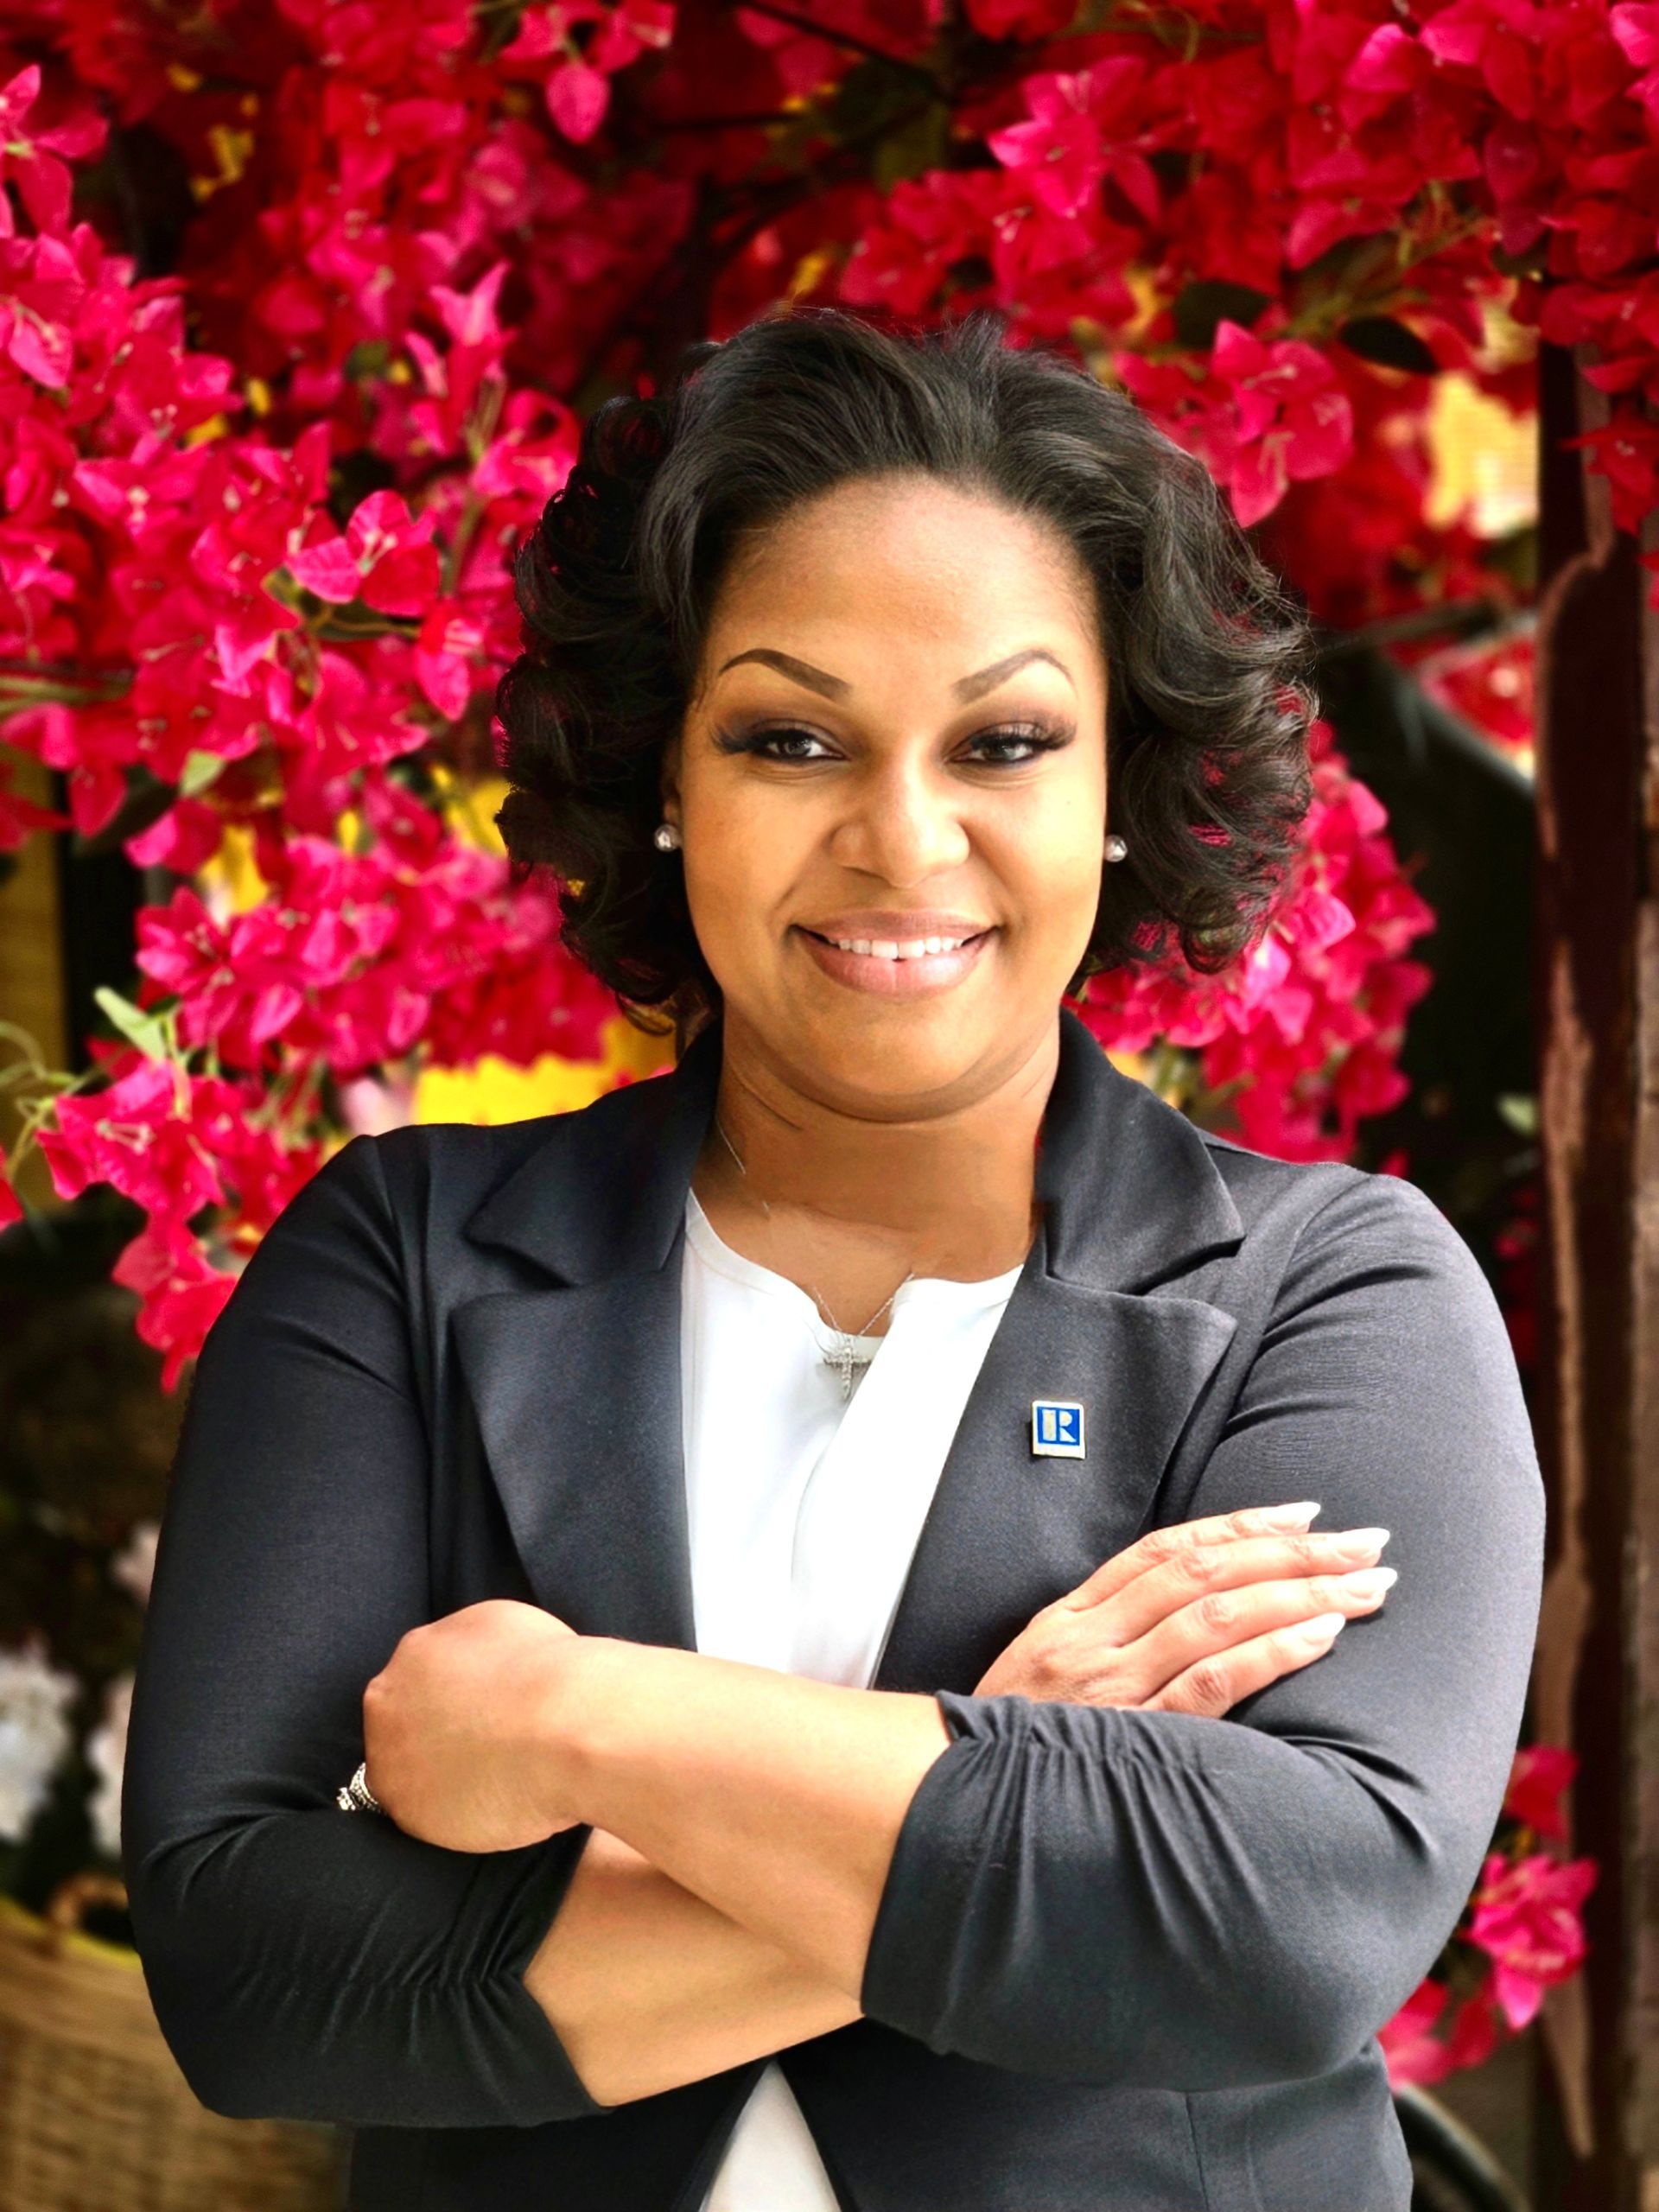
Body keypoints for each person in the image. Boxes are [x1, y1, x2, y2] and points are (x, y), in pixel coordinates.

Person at [121, 305, 1545, 2212]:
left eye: (1005, 741)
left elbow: (1294, 1926)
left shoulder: (1331, 1292)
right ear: (664, 776)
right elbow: (251, 1974)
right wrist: (1039, 1794)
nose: (901, 836)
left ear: (1121, 792)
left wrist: (570, 1720)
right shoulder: (403, 1259)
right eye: (790, 737)